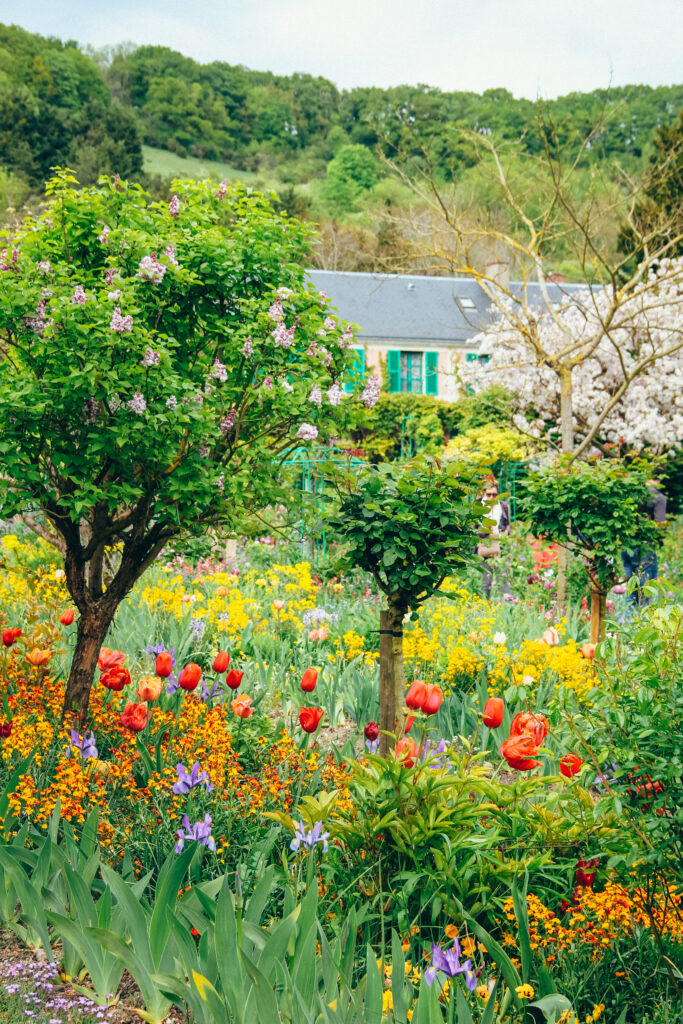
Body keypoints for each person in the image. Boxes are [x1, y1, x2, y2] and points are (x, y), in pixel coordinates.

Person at [621, 478, 667, 609]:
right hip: (644, 547)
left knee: (631, 591)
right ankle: (641, 625)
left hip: (626, 547)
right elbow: (660, 525)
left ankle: (626, 622)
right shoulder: (658, 498)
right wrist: (660, 537)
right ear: (657, 479)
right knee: (645, 593)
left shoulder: (630, 493)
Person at [478, 479, 511, 601]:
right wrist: (485, 531)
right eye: (489, 494)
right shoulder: (477, 506)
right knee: (486, 579)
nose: (492, 497)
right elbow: (472, 529)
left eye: (494, 495)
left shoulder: (502, 506)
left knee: (503, 577)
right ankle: (485, 606)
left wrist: (506, 531)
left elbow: (507, 524)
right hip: (485, 544)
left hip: (500, 545)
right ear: (483, 493)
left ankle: (506, 604)